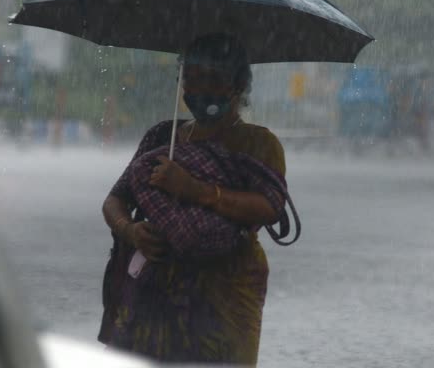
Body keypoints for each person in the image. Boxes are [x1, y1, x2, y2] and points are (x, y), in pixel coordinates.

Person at [98, 33, 297, 364]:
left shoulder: (258, 144)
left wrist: (197, 190)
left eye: (213, 79)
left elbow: (269, 207)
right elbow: (114, 201)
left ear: (237, 85)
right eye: (190, 78)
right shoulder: (163, 137)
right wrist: (131, 231)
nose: (198, 89)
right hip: (156, 287)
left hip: (226, 292)